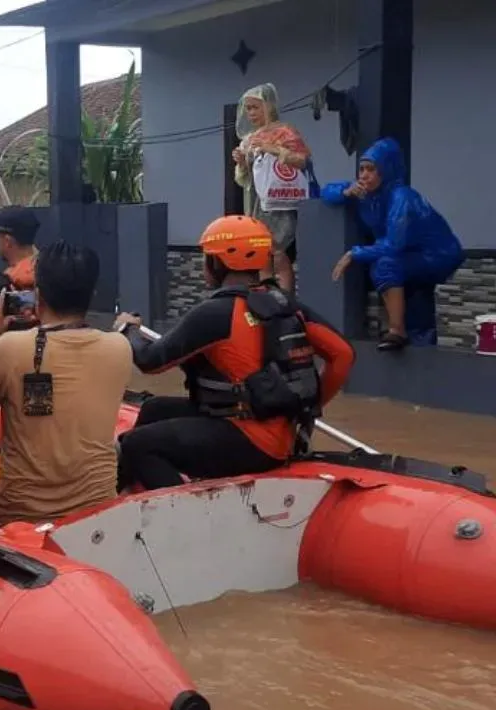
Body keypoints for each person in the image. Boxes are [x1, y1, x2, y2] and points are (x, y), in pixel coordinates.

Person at [114, 215, 356, 491]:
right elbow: (343, 355)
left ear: (218, 263)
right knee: (154, 410)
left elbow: (150, 361)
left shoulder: (216, 313)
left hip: (252, 442)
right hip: (283, 434)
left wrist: (126, 330)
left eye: (207, 258)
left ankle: (182, 518)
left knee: (137, 445)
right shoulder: (285, 304)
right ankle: (135, 492)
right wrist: (305, 412)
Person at [0, 242, 131, 528]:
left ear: (37, 293)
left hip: (18, 510)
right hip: (97, 506)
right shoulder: (120, 347)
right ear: (92, 293)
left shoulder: (11, 348)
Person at [324, 137, 464, 351]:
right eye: (361, 169)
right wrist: (344, 192)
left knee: (385, 265)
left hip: (438, 254)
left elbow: (393, 245)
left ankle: (396, 331)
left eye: (371, 169)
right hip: (411, 253)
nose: (363, 175)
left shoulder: (402, 197)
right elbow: (325, 192)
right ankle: (421, 346)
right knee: (416, 299)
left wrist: (354, 253)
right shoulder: (365, 193)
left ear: (386, 170)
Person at [232, 83, 315, 294]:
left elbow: (302, 161)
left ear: (268, 106)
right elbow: (246, 178)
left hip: (281, 202)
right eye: (248, 108)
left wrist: (275, 150)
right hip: (258, 201)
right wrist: (242, 161)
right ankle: (267, 295)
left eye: (255, 107)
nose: (250, 113)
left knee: (278, 250)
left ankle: (286, 297)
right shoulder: (251, 138)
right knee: (261, 250)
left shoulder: (285, 132)